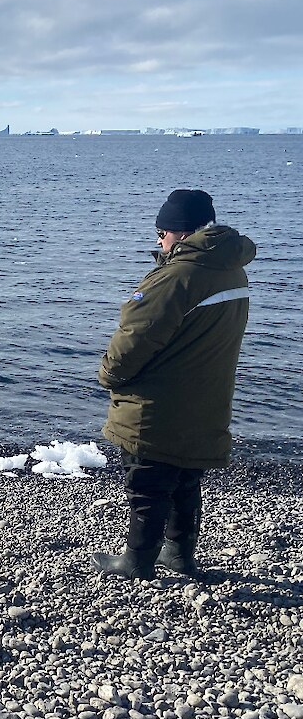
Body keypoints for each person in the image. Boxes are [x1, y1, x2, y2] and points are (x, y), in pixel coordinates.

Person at [92, 189, 256, 580]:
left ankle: (137, 561)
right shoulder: (231, 267)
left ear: (178, 233)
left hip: (159, 402)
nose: (159, 242)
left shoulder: (177, 276)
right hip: (207, 395)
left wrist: (109, 376)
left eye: (160, 233)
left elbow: (134, 338)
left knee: (147, 483)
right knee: (185, 477)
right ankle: (179, 553)